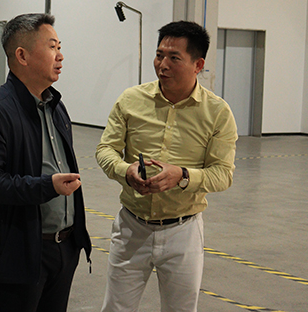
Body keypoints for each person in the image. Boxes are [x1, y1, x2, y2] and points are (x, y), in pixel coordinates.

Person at [96, 21, 238, 312]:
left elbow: (223, 174)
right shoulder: (131, 100)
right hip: (132, 226)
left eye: (174, 58)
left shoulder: (217, 113)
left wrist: (182, 176)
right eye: (159, 55)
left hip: (183, 232)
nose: (163, 65)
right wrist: (125, 171)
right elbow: (106, 149)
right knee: (116, 308)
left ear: (198, 64)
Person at [0, 13, 92, 312]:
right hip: (18, 255)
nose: (60, 56)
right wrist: (46, 186)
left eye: (59, 47)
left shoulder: (56, 106)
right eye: (52, 47)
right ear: (22, 56)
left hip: (63, 249)